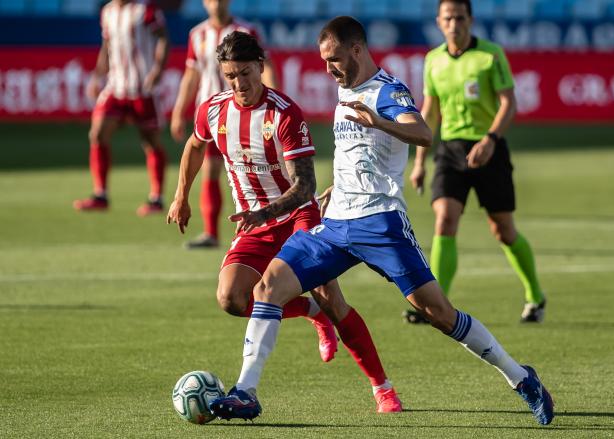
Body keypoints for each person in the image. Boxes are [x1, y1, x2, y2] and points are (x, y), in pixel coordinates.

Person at [209, 17, 554, 426]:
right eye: (323, 61)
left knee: (439, 314)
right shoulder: (344, 89)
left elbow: (423, 133)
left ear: (357, 50)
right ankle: (245, 392)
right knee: (267, 287)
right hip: (335, 224)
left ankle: (520, 377)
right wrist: (337, 187)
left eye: (335, 58)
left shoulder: (387, 92)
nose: (329, 68)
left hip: (382, 225)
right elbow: (354, 152)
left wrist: (380, 122)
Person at [167, 31, 403, 414]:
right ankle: (310, 313)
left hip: (296, 215)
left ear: (260, 67)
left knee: (330, 296)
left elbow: (304, 185)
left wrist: (265, 212)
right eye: (231, 76)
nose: (240, 84)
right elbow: (195, 144)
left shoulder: (284, 114)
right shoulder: (213, 110)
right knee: (231, 299)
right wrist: (181, 195)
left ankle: (383, 387)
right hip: (254, 224)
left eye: (246, 73)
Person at [407, 0, 546, 323]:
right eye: (447, 18)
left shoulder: (490, 55)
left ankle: (535, 296)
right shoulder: (433, 60)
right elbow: (430, 111)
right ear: (439, 22)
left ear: (469, 19)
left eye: (459, 17)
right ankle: (436, 304)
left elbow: (508, 102)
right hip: (451, 150)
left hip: (489, 149)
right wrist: (419, 161)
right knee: (445, 219)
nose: (453, 23)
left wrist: (490, 140)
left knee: (503, 230)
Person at [170, 0, 278, 249]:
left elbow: (266, 66)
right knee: (210, 169)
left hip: (246, 113)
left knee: (257, 170)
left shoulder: (247, 31)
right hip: (213, 116)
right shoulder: (197, 34)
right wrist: (178, 111)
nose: (215, 3)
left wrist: (271, 102)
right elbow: (191, 75)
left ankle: (269, 226)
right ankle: (212, 232)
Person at [74, 0, 170, 216]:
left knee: (151, 142)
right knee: (97, 133)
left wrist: (157, 70)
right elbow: (107, 46)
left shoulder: (145, 11)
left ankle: (157, 198)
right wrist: (97, 76)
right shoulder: (107, 12)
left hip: (142, 88)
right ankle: (101, 195)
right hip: (115, 87)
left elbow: (163, 38)